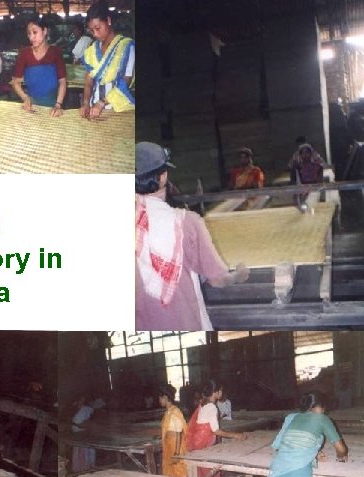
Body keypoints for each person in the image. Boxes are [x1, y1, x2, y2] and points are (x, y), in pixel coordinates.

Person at [135, 142, 251, 330]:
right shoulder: (186, 222)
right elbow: (219, 278)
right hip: (184, 321)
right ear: (163, 177)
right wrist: (239, 274)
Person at [268, 392, 348, 477]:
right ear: (318, 406)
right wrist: (341, 457)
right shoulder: (322, 418)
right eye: (324, 408)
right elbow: (341, 449)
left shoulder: (291, 417)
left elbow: (278, 445)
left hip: (277, 469)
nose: (324, 411)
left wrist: (312, 453)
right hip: (298, 473)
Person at [80, 1, 135, 118]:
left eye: (97, 28)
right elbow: (89, 81)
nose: (95, 34)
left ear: (108, 21)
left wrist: (102, 102)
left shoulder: (125, 47)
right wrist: (85, 103)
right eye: (91, 30)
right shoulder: (92, 50)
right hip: (94, 108)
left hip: (118, 109)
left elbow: (126, 81)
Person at [187, 380, 247, 477]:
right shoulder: (212, 407)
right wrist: (236, 435)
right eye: (220, 391)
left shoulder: (203, 404)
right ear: (215, 392)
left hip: (198, 441)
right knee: (210, 472)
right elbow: (216, 431)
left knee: (203, 472)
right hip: (204, 443)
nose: (222, 393)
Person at [12, 18, 67, 116]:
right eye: (29, 33)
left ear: (44, 31)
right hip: (31, 105)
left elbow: (62, 82)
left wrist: (58, 104)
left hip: (53, 104)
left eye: (35, 32)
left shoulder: (55, 52)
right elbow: (16, 82)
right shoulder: (25, 54)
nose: (31, 37)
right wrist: (25, 98)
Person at [158, 383, 187, 477]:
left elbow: (179, 433)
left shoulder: (175, 411)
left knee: (178, 471)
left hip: (175, 447)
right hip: (169, 446)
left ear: (166, 397)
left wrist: (177, 454)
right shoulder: (168, 412)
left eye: (160, 398)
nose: (159, 400)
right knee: (170, 472)